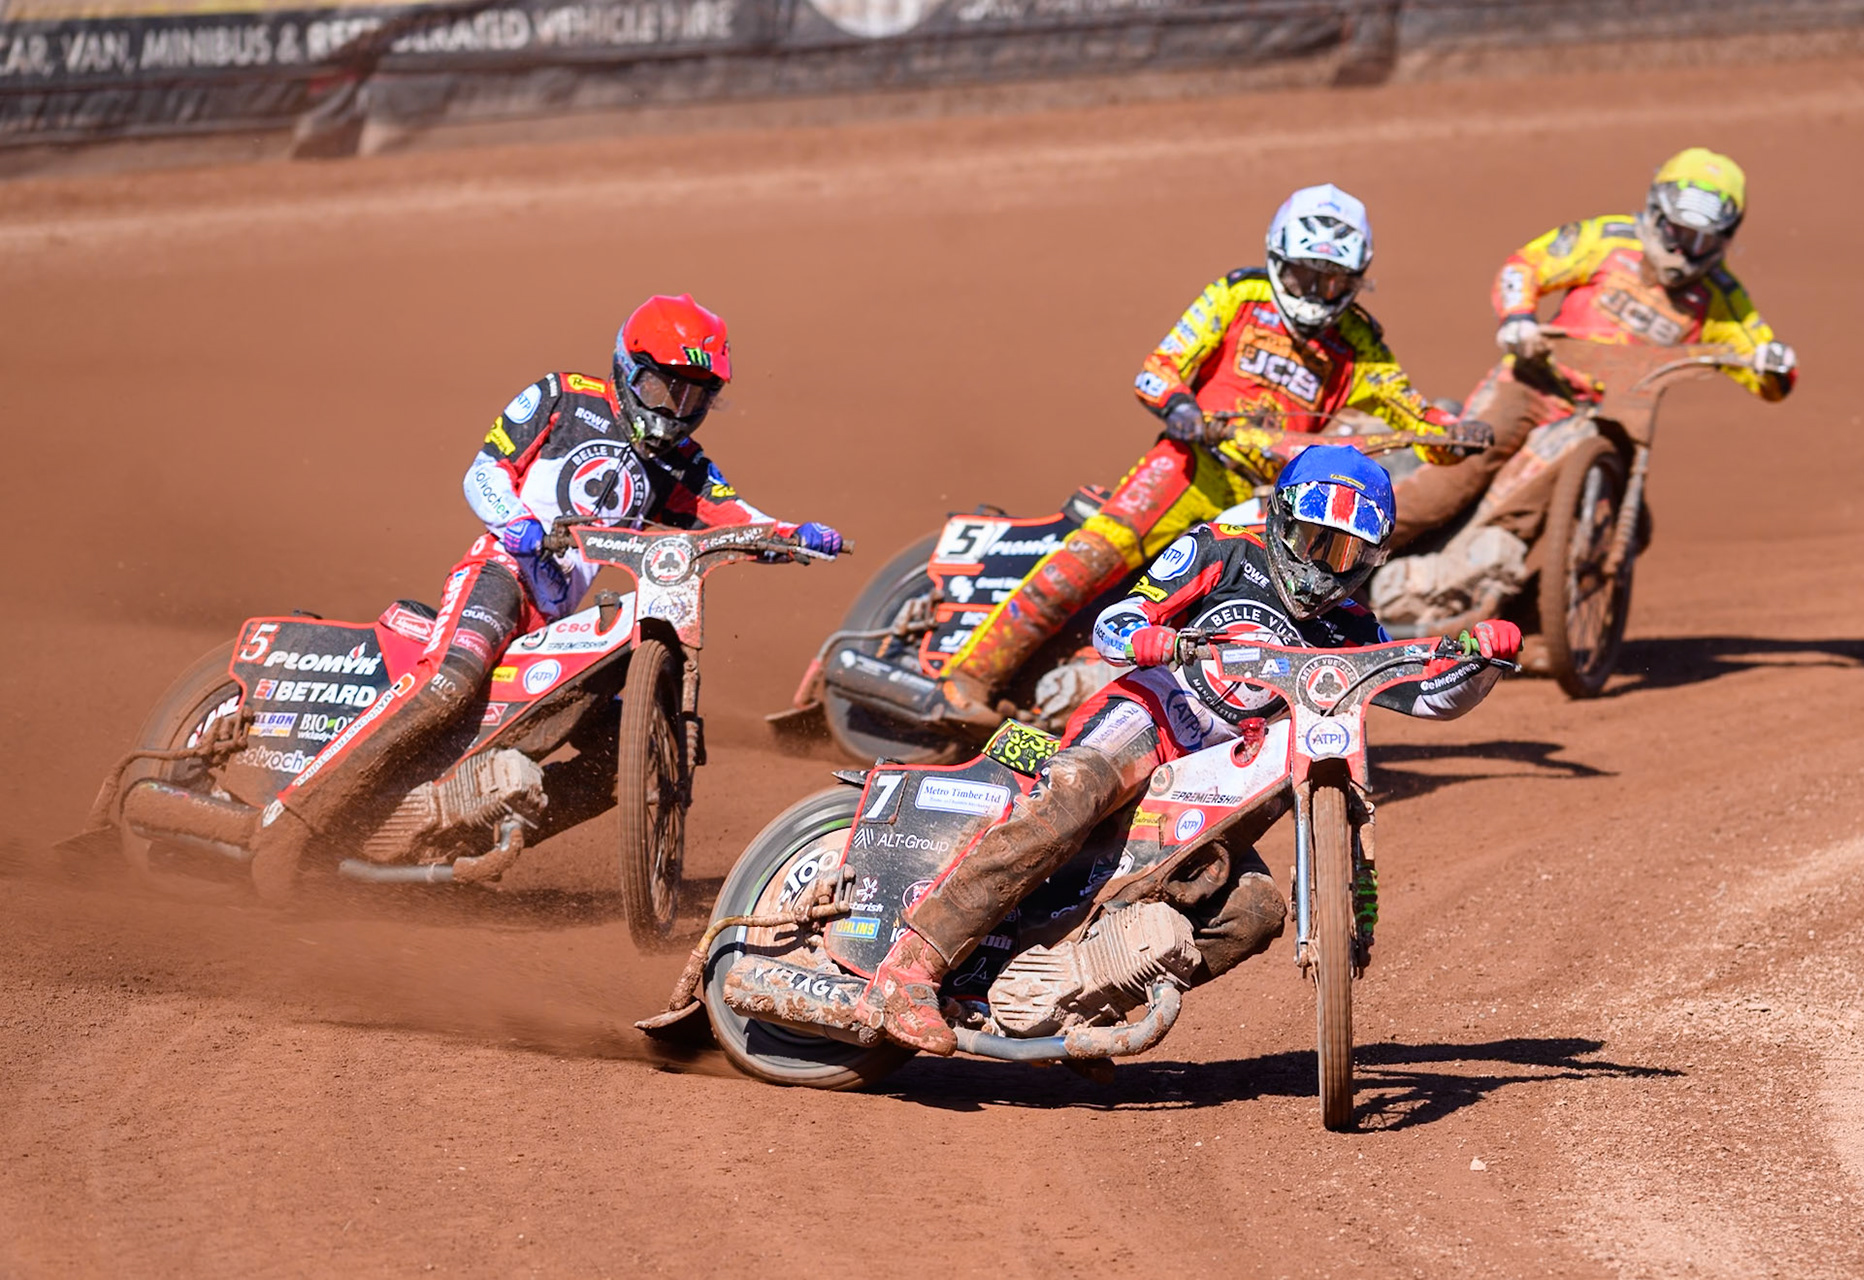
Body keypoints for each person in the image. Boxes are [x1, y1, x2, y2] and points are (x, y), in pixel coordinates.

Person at [858, 445, 1519, 1054]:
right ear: (1281, 520)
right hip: (1151, 718)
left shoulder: (1350, 628)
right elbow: (1117, 621)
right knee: (1077, 792)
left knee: (1254, 911)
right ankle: (910, 968)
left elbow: (1429, 696)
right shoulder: (1222, 550)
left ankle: (1077, 1003)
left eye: (1345, 554)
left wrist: (1484, 659)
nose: (1323, 567)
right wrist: (1148, 637)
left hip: (1223, 780)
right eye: (1314, 541)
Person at [249, 295, 843, 901]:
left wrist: (793, 535)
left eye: (693, 398)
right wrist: (517, 524)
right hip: (501, 573)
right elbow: (484, 472)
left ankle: (455, 841)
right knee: (451, 679)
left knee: (626, 758)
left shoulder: (680, 465)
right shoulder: (563, 397)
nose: (674, 411)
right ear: (628, 368)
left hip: (556, 621)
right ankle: (291, 823)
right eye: (663, 389)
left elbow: (733, 518)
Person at [924, 182, 1480, 730]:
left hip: (1270, 499)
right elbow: (1156, 370)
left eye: (1332, 281)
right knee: (1092, 556)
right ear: (1277, 260)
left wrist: (1455, 434)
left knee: (1263, 603)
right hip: (1189, 467)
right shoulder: (1238, 296)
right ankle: (965, 681)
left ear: (1356, 281)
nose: (1315, 293)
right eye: (1303, 276)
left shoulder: (1360, 343)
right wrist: (1180, 405)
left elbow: (1416, 418)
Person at [1390, 147, 1798, 550]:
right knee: (1449, 486)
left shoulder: (1721, 297)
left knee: (1627, 528)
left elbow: (1765, 364)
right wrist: (1518, 318)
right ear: (1656, 212)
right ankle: (1362, 550)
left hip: (1616, 418)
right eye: (1678, 232)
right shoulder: (1608, 240)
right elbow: (1525, 266)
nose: (1685, 251)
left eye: (1702, 241)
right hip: (1535, 384)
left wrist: (1774, 364)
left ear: (1724, 240)